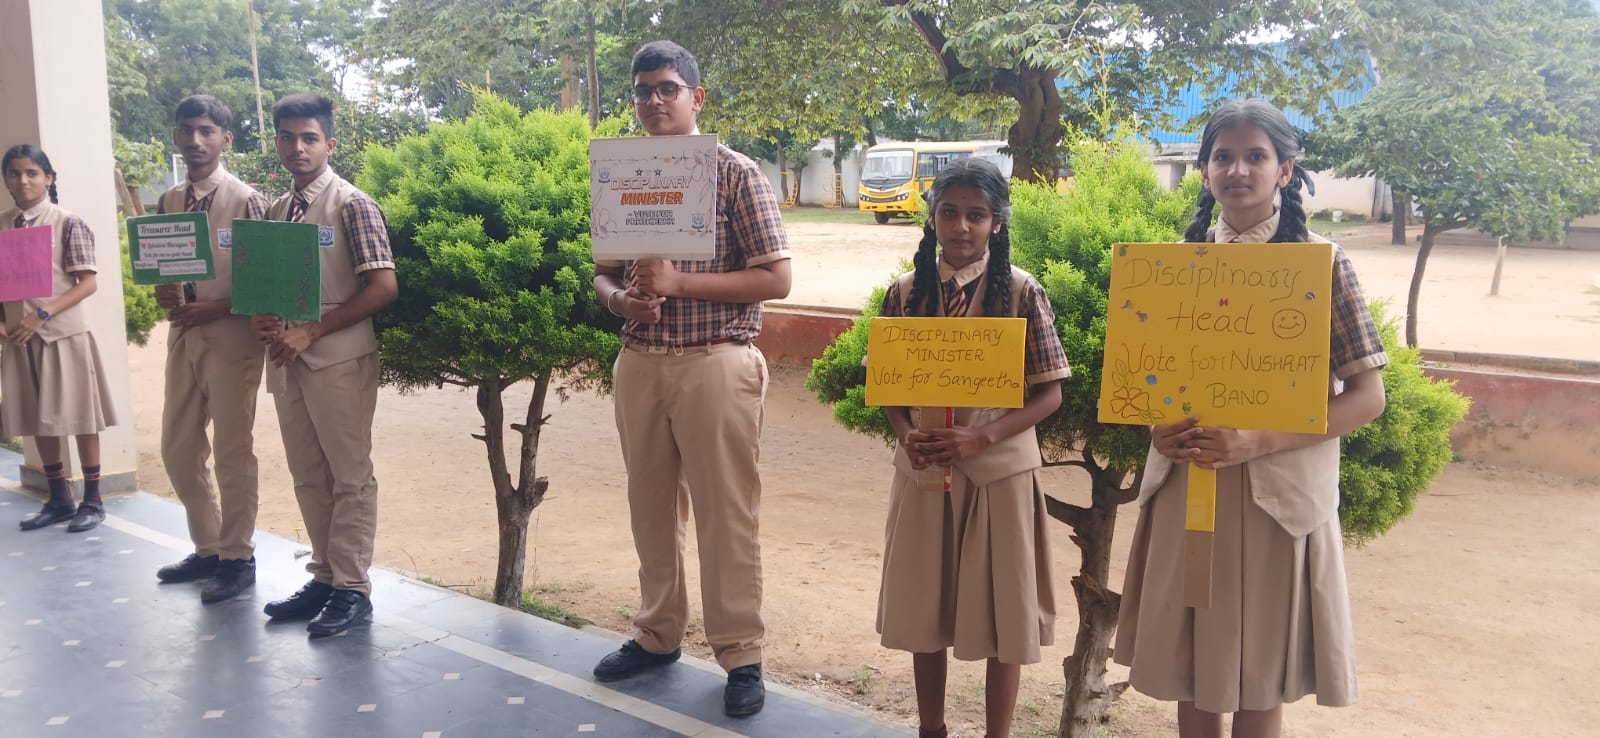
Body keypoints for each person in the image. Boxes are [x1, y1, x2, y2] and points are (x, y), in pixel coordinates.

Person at [1113, 99, 1389, 738]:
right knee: (1191, 666)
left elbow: (1367, 396)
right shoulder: (1167, 268)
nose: (1238, 170)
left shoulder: (1322, 264)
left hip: (1278, 501)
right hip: (1188, 488)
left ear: (1285, 170)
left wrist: (1261, 439)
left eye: (1255, 156)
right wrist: (1157, 427)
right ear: (1204, 170)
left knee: (1261, 672)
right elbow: (1148, 384)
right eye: (1224, 156)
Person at [589, 40, 791, 718]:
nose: (653, 100)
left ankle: (741, 653)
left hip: (717, 361)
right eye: (643, 90)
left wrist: (680, 283)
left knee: (725, 512)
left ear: (696, 97)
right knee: (650, 507)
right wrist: (622, 300)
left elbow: (776, 278)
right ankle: (657, 634)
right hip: (641, 361)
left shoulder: (735, 174)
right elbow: (603, 273)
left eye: (667, 88)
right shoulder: (622, 173)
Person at [874, 157, 1070, 738]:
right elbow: (888, 390)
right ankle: (930, 728)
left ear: (996, 223)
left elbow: (1051, 394)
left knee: (1005, 615)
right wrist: (905, 433)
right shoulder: (905, 293)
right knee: (923, 609)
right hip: (925, 474)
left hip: (999, 478)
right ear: (932, 218)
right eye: (950, 212)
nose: (961, 226)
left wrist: (981, 436)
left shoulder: (1022, 291)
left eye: (976, 215)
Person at [250, 93, 398, 636]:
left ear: (329, 144)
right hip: (285, 360)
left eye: (309, 137)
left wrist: (312, 329)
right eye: (288, 137)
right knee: (308, 475)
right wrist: (264, 318)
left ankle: (353, 588)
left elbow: (383, 287)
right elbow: (267, 287)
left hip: (338, 360)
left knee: (349, 475)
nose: (298, 147)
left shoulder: (352, 205)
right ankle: (326, 576)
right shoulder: (275, 211)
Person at [151, 95, 272, 603]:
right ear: (176, 136)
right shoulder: (169, 201)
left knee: (231, 450)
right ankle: (208, 547)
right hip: (184, 334)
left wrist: (215, 308)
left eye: (206, 131)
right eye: (187, 130)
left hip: (232, 338)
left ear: (226, 139)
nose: (195, 140)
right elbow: (164, 267)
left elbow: (265, 280)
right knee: (178, 448)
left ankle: (237, 557)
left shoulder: (248, 200)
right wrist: (164, 292)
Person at [2, 145, 118, 533]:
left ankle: (93, 500)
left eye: (32, 173)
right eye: (14, 173)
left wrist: (43, 313)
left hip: (63, 335)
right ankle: (59, 498)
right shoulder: (2, 226)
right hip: (20, 339)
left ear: (48, 178)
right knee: (39, 419)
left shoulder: (67, 222)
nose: (23, 180)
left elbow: (87, 282)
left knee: (82, 417)